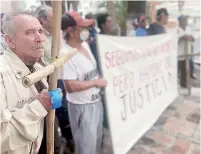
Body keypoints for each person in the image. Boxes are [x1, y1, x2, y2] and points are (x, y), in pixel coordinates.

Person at [1, 11, 52, 154]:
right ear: (10, 40)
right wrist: (39, 106)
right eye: (30, 32)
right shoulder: (1, 74)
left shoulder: (39, 69)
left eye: (41, 31)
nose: (40, 38)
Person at [59, 11, 108, 154]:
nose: (86, 31)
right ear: (70, 31)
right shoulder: (66, 54)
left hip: (96, 102)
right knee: (86, 148)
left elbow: (91, 72)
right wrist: (95, 83)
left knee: (96, 142)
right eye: (82, 27)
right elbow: (70, 86)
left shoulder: (84, 45)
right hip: (82, 108)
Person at [34, 5, 72, 154]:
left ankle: (65, 141)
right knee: (53, 112)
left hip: (60, 78)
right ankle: (54, 143)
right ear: (42, 20)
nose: (57, 22)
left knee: (62, 111)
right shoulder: (38, 38)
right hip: (46, 81)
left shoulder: (55, 35)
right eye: (53, 18)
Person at [178, 15, 195, 88]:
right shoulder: (177, 30)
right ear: (180, 21)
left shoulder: (188, 29)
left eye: (185, 20)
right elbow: (176, 39)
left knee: (186, 70)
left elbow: (192, 38)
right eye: (184, 20)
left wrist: (191, 38)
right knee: (178, 69)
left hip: (187, 53)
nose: (185, 21)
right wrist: (183, 37)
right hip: (179, 53)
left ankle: (184, 84)